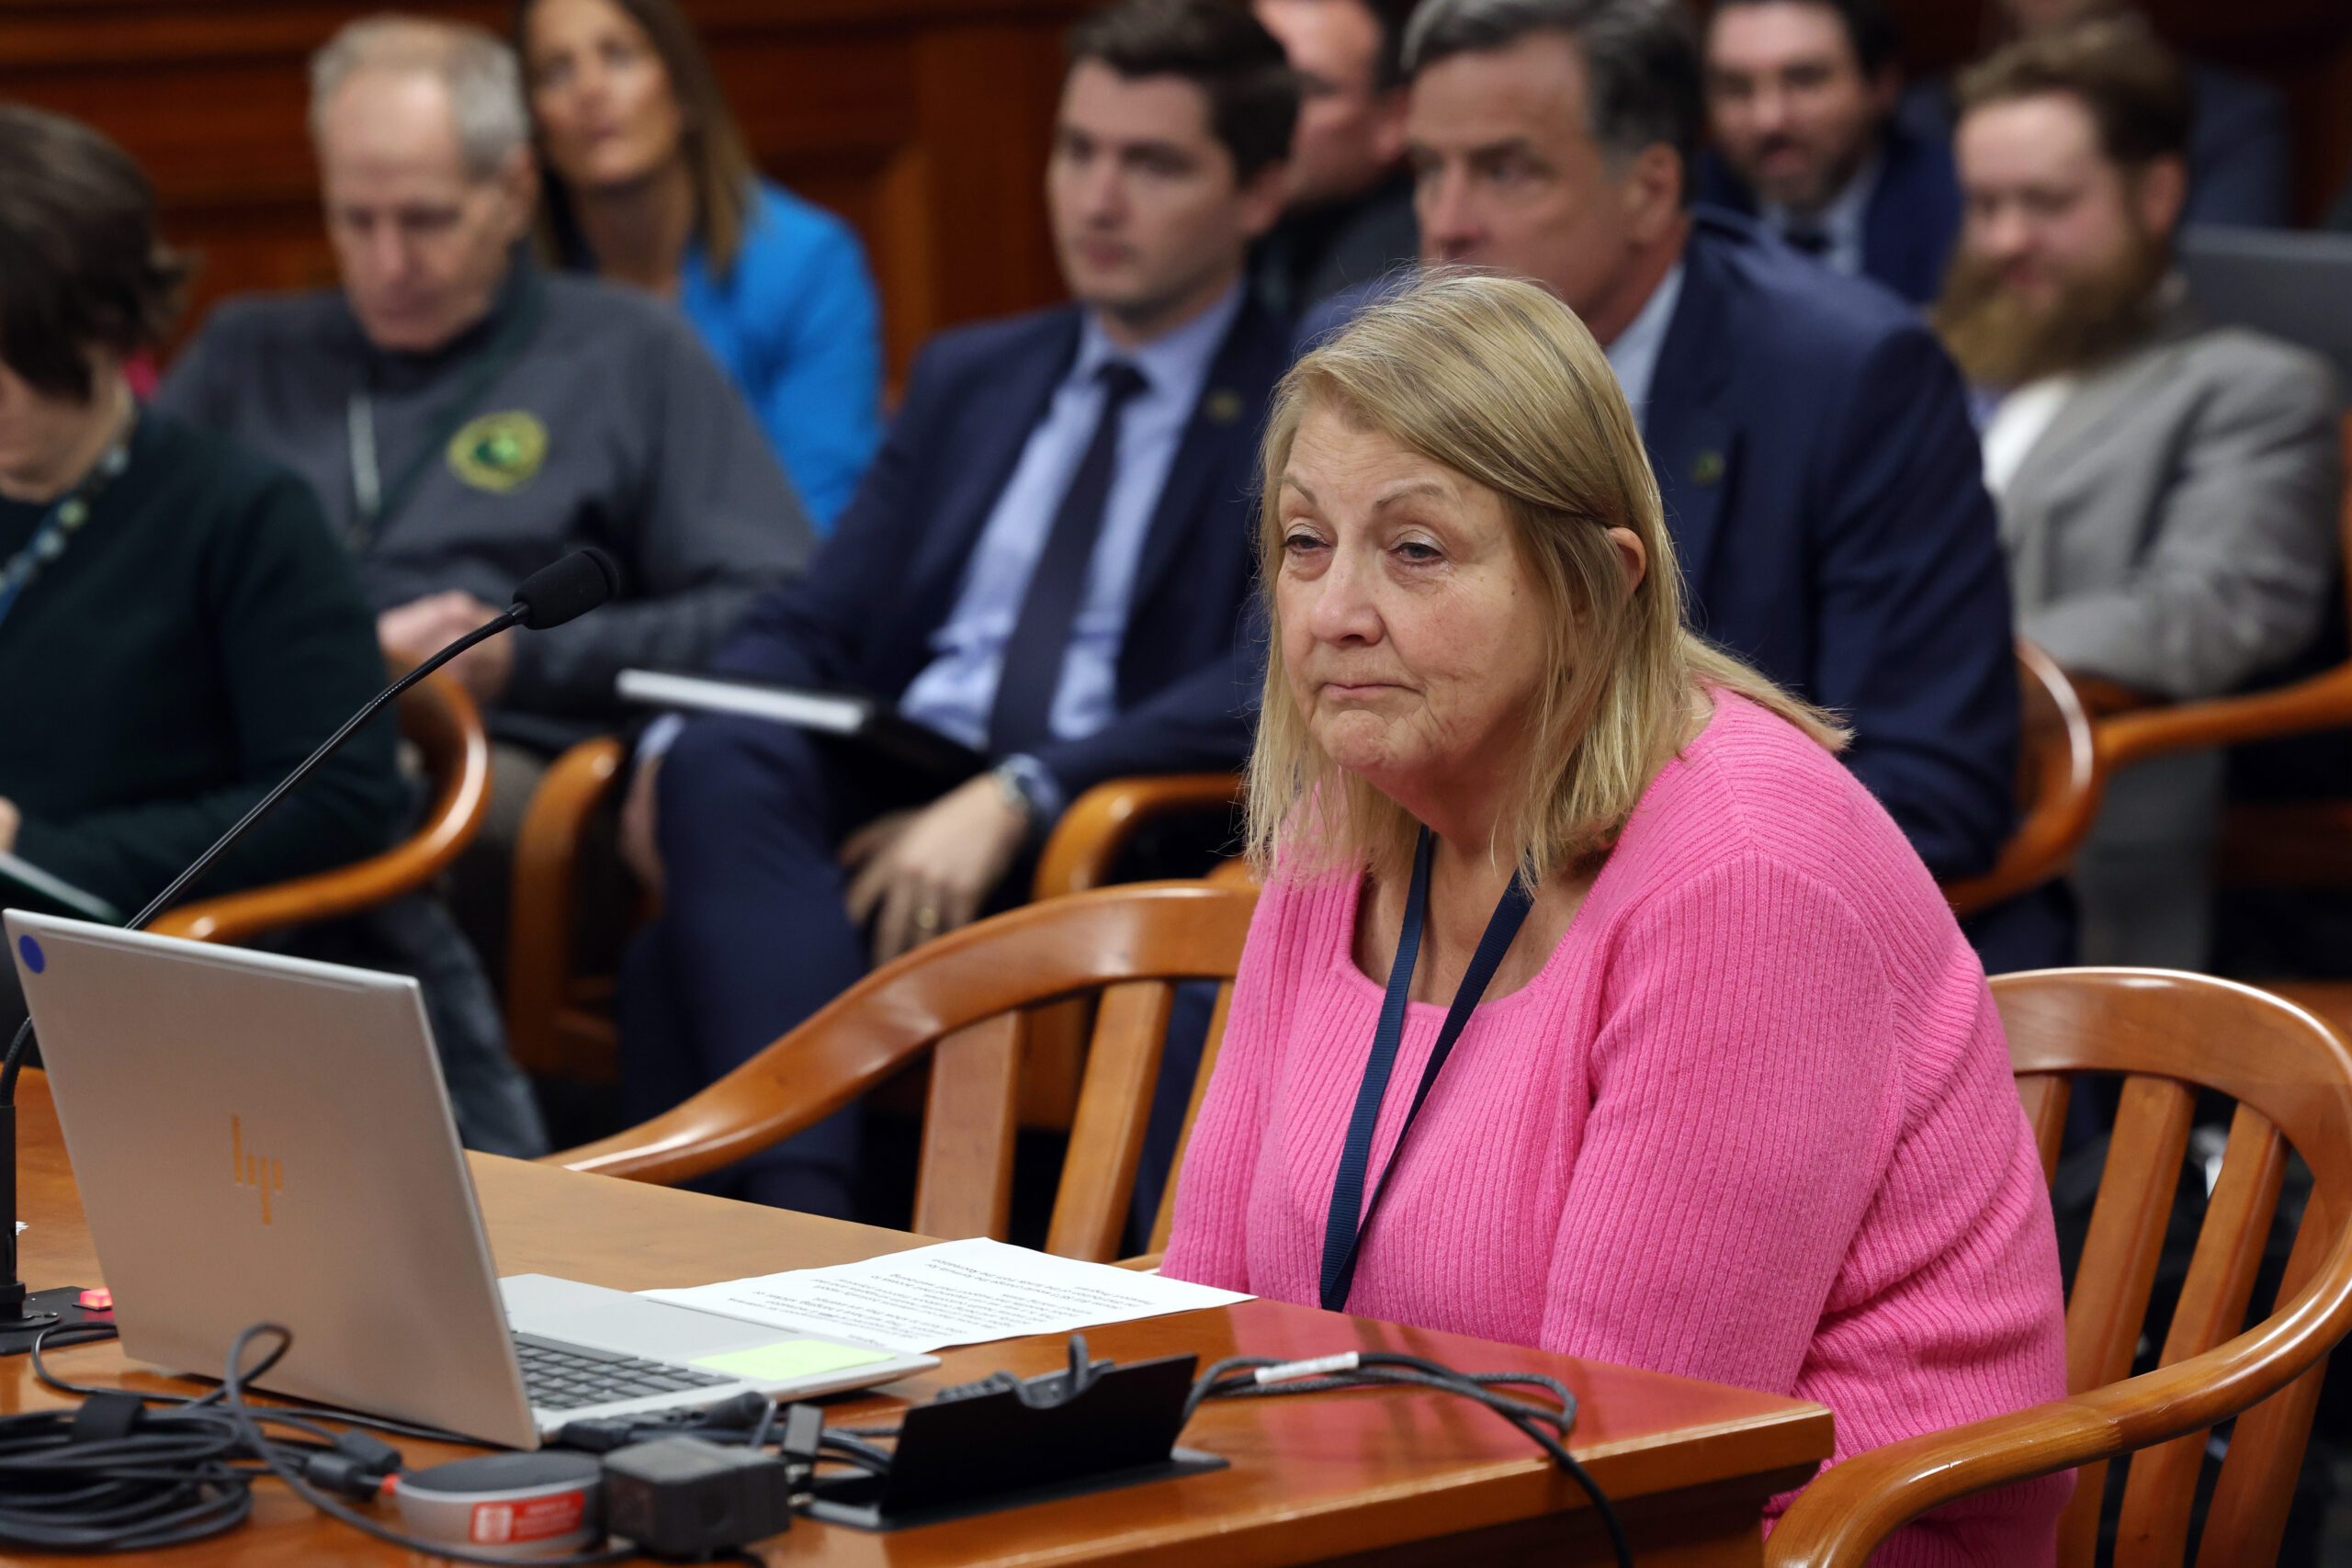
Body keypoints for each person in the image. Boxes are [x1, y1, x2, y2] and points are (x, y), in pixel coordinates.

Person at [1160, 273, 2070, 1563]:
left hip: (1770, 1536)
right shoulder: (1340, 820)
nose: (1334, 611)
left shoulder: (1745, 873)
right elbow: (1213, 1293)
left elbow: (1633, 1454)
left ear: (1592, 583)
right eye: (1306, 543)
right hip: (1403, 1501)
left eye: (1415, 550)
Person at [616, 0, 1298, 1215]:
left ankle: (786, 1227)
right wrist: (672, 744)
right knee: (718, 756)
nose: (1098, 197)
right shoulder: (977, 373)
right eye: (1078, 150)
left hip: (1101, 817)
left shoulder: (1302, 394)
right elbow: (814, 616)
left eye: (1153, 164)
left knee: (675, 964)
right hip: (906, 780)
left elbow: (1271, 669)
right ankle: (807, 1215)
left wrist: (1024, 785)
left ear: (1257, 193)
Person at [1313, 0, 2041, 968]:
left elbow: (1927, 781)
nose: (1446, 226)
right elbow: (1293, 687)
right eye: (1428, 171)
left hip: (1766, 942)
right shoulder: (1368, 361)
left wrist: (1582, 912)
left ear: (1652, 188)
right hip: (1434, 925)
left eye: (1505, 169)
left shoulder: (1848, 374)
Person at [155, 15, 815, 978]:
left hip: (501, 766)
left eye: (424, 220)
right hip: (255, 751)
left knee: (372, 827)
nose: (386, 263)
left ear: (512, 191)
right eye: (354, 221)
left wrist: (523, 661)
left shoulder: (629, 352)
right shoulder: (245, 354)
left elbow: (773, 603)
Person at [1937, 19, 2341, 969]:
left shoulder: (2244, 387)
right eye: (1982, 204)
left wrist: (1938, 674)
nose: (2003, 241)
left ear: (2155, 193)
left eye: (2044, 203)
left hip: (2069, 836)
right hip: (1856, 800)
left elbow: (2213, 608)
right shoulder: (1917, 361)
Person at [0, 107, 400, 1031]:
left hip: (135, 948)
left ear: (109, 323)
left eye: (25, 351)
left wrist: (45, 848)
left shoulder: (242, 515)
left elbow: (338, 801)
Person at [517, 0, 884, 529]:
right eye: (556, 70)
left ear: (682, 87)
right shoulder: (517, 284)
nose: (589, 90)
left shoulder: (805, 263)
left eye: (618, 56)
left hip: (758, 590)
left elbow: (820, 516)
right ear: (534, 123)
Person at [1899, 0, 2290, 231]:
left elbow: (2223, 288)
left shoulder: (2233, 118)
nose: (2009, 240)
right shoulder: (1924, 117)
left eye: (2050, 201)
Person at [1695, 0, 1962, 305]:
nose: (1768, 121)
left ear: (1881, 86)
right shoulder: (1681, 214)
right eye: (1735, 88)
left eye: (1804, 79)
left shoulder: (1959, 211)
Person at [1250, 0, 1419, 315]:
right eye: (1256, 84)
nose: (1267, 114)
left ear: (1393, 120)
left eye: (1308, 89)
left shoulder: (1398, 291)